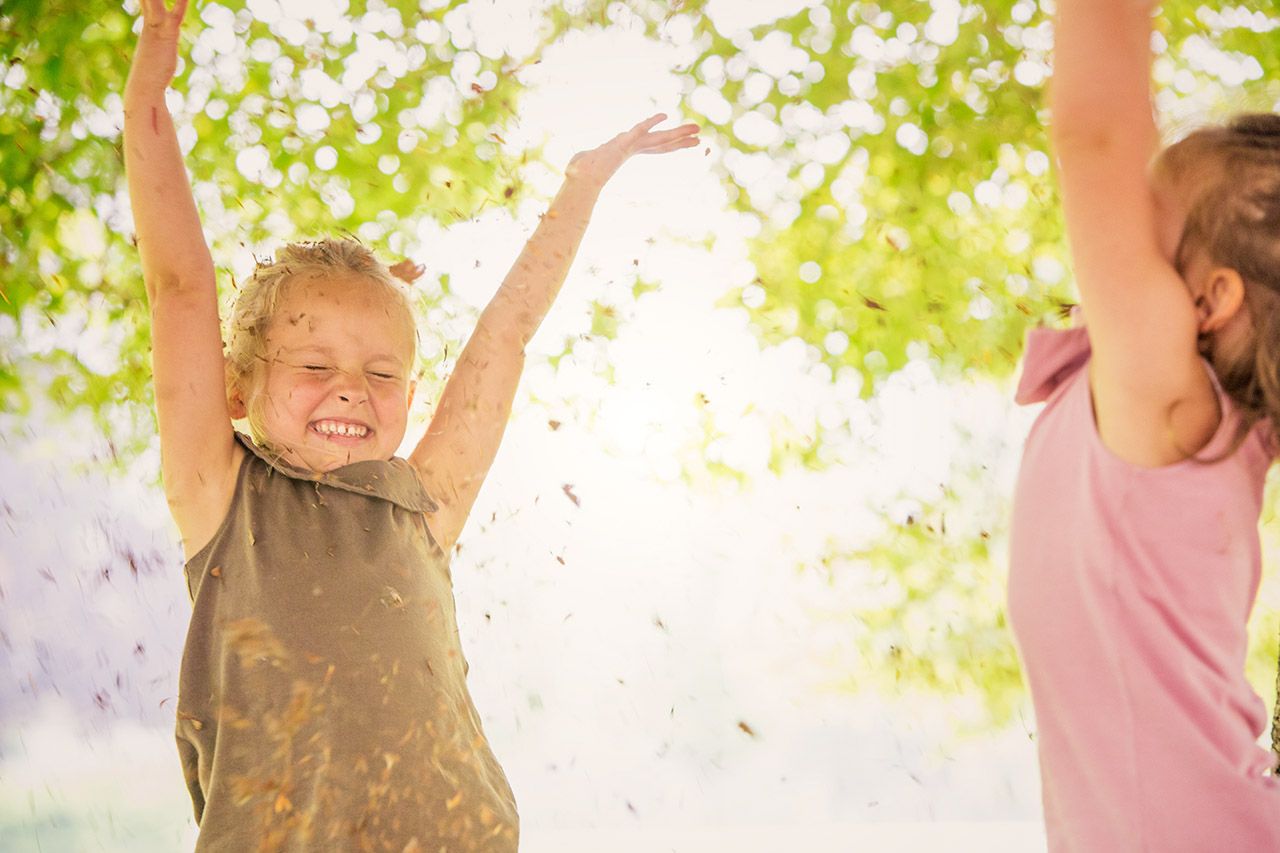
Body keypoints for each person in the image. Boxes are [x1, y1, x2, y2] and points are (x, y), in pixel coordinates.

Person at [123, 0, 699, 848]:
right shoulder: (220, 493)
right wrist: (148, 91)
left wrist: (580, 187)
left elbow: (505, 332)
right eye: (314, 366)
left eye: (382, 372)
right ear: (237, 386)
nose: (351, 390)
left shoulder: (422, 506)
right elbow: (179, 286)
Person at [1006, 0, 1280, 849]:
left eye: (1143, 221)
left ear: (1208, 300)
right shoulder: (1190, 423)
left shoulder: (1170, 406)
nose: (1105, 238)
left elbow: (1097, 135)